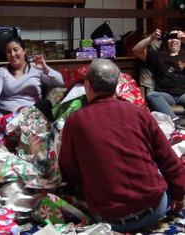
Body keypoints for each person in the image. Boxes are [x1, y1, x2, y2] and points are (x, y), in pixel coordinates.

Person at [58, 58, 185, 234]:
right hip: (154, 211)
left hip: (107, 219)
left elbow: (69, 171)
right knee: (155, 165)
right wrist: (180, 195)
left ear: (87, 84)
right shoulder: (139, 113)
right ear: (117, 84)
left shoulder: (74, 121)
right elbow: (168, 159)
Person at [0, 36, 64, 119]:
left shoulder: (36, 68)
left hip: (31, 113)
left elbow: (61, 82)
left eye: (16, 50)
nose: (13, 54)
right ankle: (18, 124)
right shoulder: (1, 72)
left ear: (24, 51)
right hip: (8, 113)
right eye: (8, 52)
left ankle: (21, 123)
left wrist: (45, 68)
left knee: (46, 104)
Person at [132, 27, 185, 126]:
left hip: (183, 94)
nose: (173, 40)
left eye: (176, 37)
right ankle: (174, 120)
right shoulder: (158, 55)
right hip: (166, 94)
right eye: (170, 37)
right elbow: (136, 50)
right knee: (151, 95)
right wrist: (151, 38)